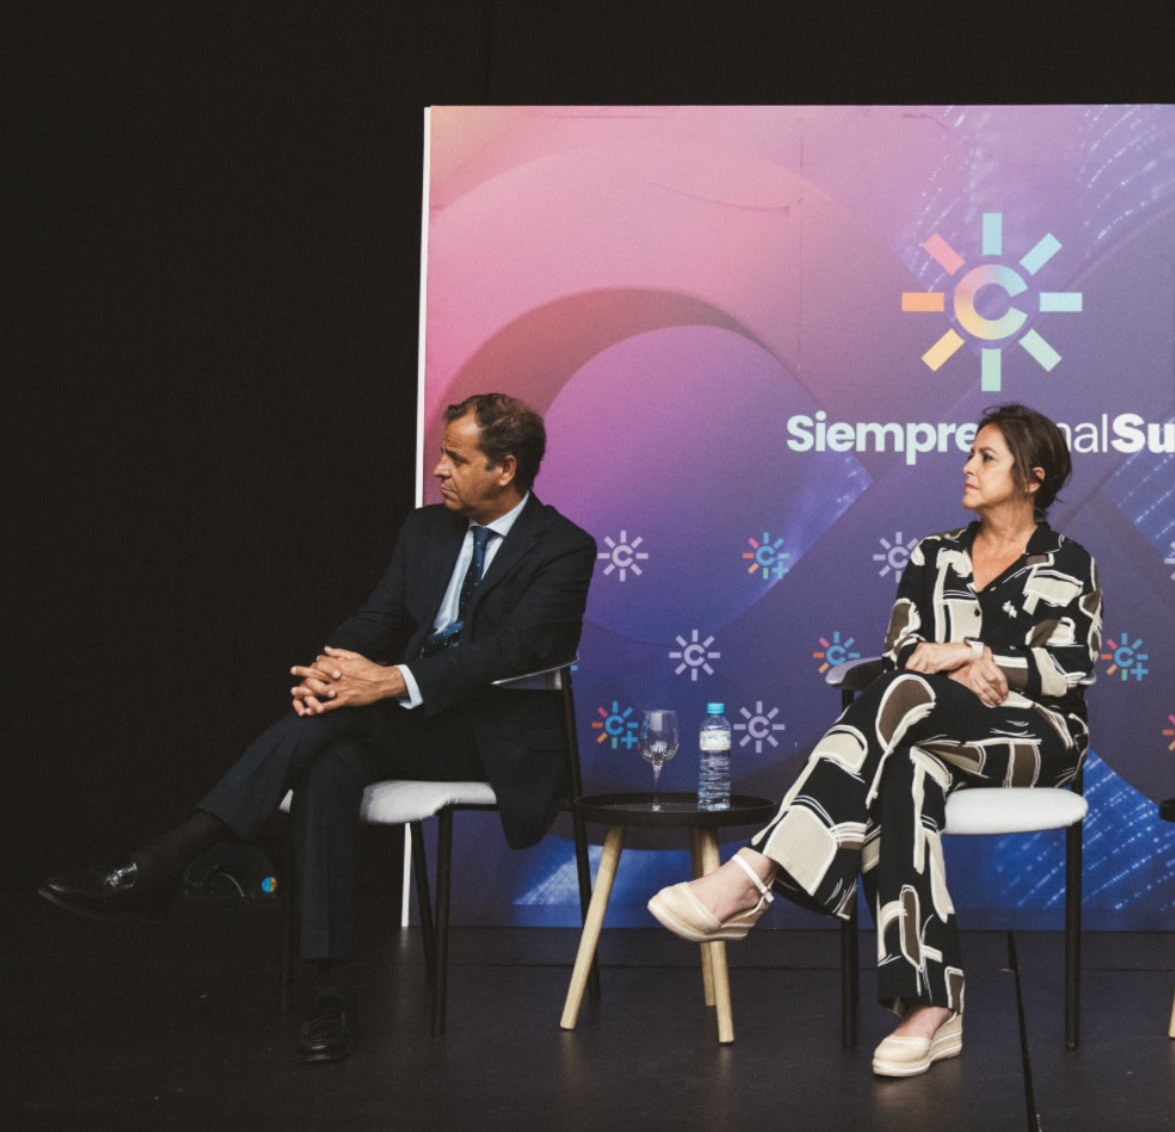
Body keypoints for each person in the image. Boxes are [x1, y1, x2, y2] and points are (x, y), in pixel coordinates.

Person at [40, 393, 596, 1064]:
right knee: (330, 758)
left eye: (455, 458)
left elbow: (519, 647)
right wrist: (331, 669)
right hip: (401, 723)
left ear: (505, 467)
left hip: (488, 738)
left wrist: (390, 681)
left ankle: (166, 861)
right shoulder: (426, 531)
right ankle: (331, 992)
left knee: (343, 726)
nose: (439, 470)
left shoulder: (564, 547)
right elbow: (375, 618)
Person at [648, 403, 1100, 1078]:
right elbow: (901, 650)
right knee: (904, 766)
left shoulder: (1070, 562)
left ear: (1032, 477)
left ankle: (756, 871)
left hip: (1035, 734)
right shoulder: (934, 552)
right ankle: (930, 1006)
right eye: (970, 453)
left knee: (905, 697)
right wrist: (952, 661)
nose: (967, 466)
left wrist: (969, 651)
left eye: (986, 457)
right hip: (931, 726)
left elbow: (1069, 665)